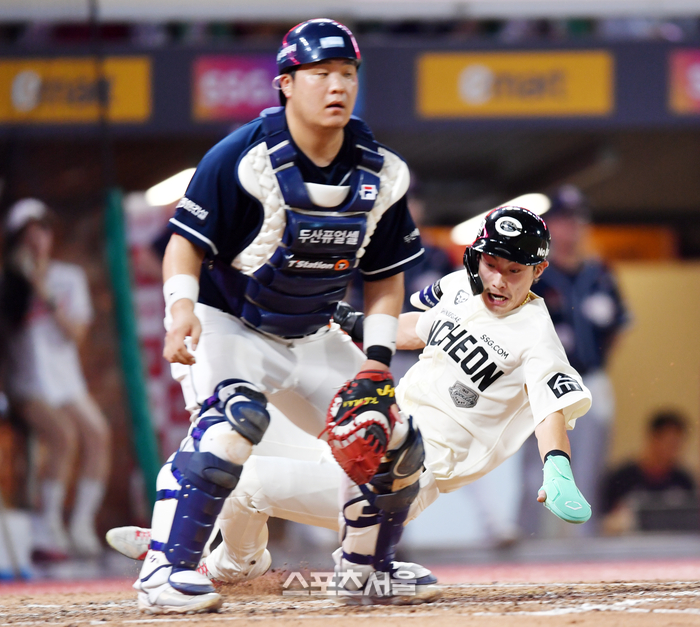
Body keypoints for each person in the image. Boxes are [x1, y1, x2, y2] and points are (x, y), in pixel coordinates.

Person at [112, 206, 593, 605]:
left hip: (402, 477)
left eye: (515, 270)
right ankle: (206, 541)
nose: (499, 280)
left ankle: (213, 560)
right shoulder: (460, 286)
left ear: (539, 271)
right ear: (476, 257)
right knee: (237, 428)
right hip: (370, 431)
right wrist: (352, 320)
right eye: (491, 263)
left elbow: (548, 406)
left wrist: (557, 467)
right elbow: (418, 327)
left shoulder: (535, 334)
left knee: (248, 484)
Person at [134, 18, 427, 614]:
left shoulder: (383, 174)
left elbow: (384, 279)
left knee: (394, 439)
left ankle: (364, 570)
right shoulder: (240, 159)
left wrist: (376, 366)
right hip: (229, 324)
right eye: (320, 74)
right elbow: (184, 245)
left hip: (313, 332)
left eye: (346, 74)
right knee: (232, 423)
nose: (336, 86)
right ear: (286, 84)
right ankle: (165, 571)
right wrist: (180, 309)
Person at [0, 198, 111, 559]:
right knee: (63, 434)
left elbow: (75, 334)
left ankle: (81, 523)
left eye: (42, 232)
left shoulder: (68, 278)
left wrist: (43, 290)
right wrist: (21, 282)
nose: (36, 241)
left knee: (97, 434)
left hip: (66, 381)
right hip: (27, 384)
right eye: (28, 235)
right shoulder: (8, 286)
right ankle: (48, 523)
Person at [526, 185, 629, 534]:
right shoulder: (536, 273)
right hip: (542, 382)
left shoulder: (600, 273)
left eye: (577, 218)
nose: (572, 226)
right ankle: (531, 543)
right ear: (550, 225)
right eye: (563, 219)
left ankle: (585, 543)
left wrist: (596, 359)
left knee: (589, 466)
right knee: (535, 468)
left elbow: (619, 325)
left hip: (590, 377)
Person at [600, 410, 696, 534]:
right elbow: (602, 520)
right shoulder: (621, 478)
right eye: (669, 443)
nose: (673, 450)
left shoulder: (683, 481)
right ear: (653, 438)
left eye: (677, 444)